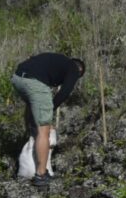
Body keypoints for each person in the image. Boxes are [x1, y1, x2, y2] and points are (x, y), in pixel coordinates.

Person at [11, 53, 85, 187]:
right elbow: (64, 92)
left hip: (17, 78)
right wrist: (50, 109)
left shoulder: (57, 61)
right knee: (44, 130)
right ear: (79, 70)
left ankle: (31, 135)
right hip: (34, 82)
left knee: (33, 107)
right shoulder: (74, 69)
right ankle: (41, 174)